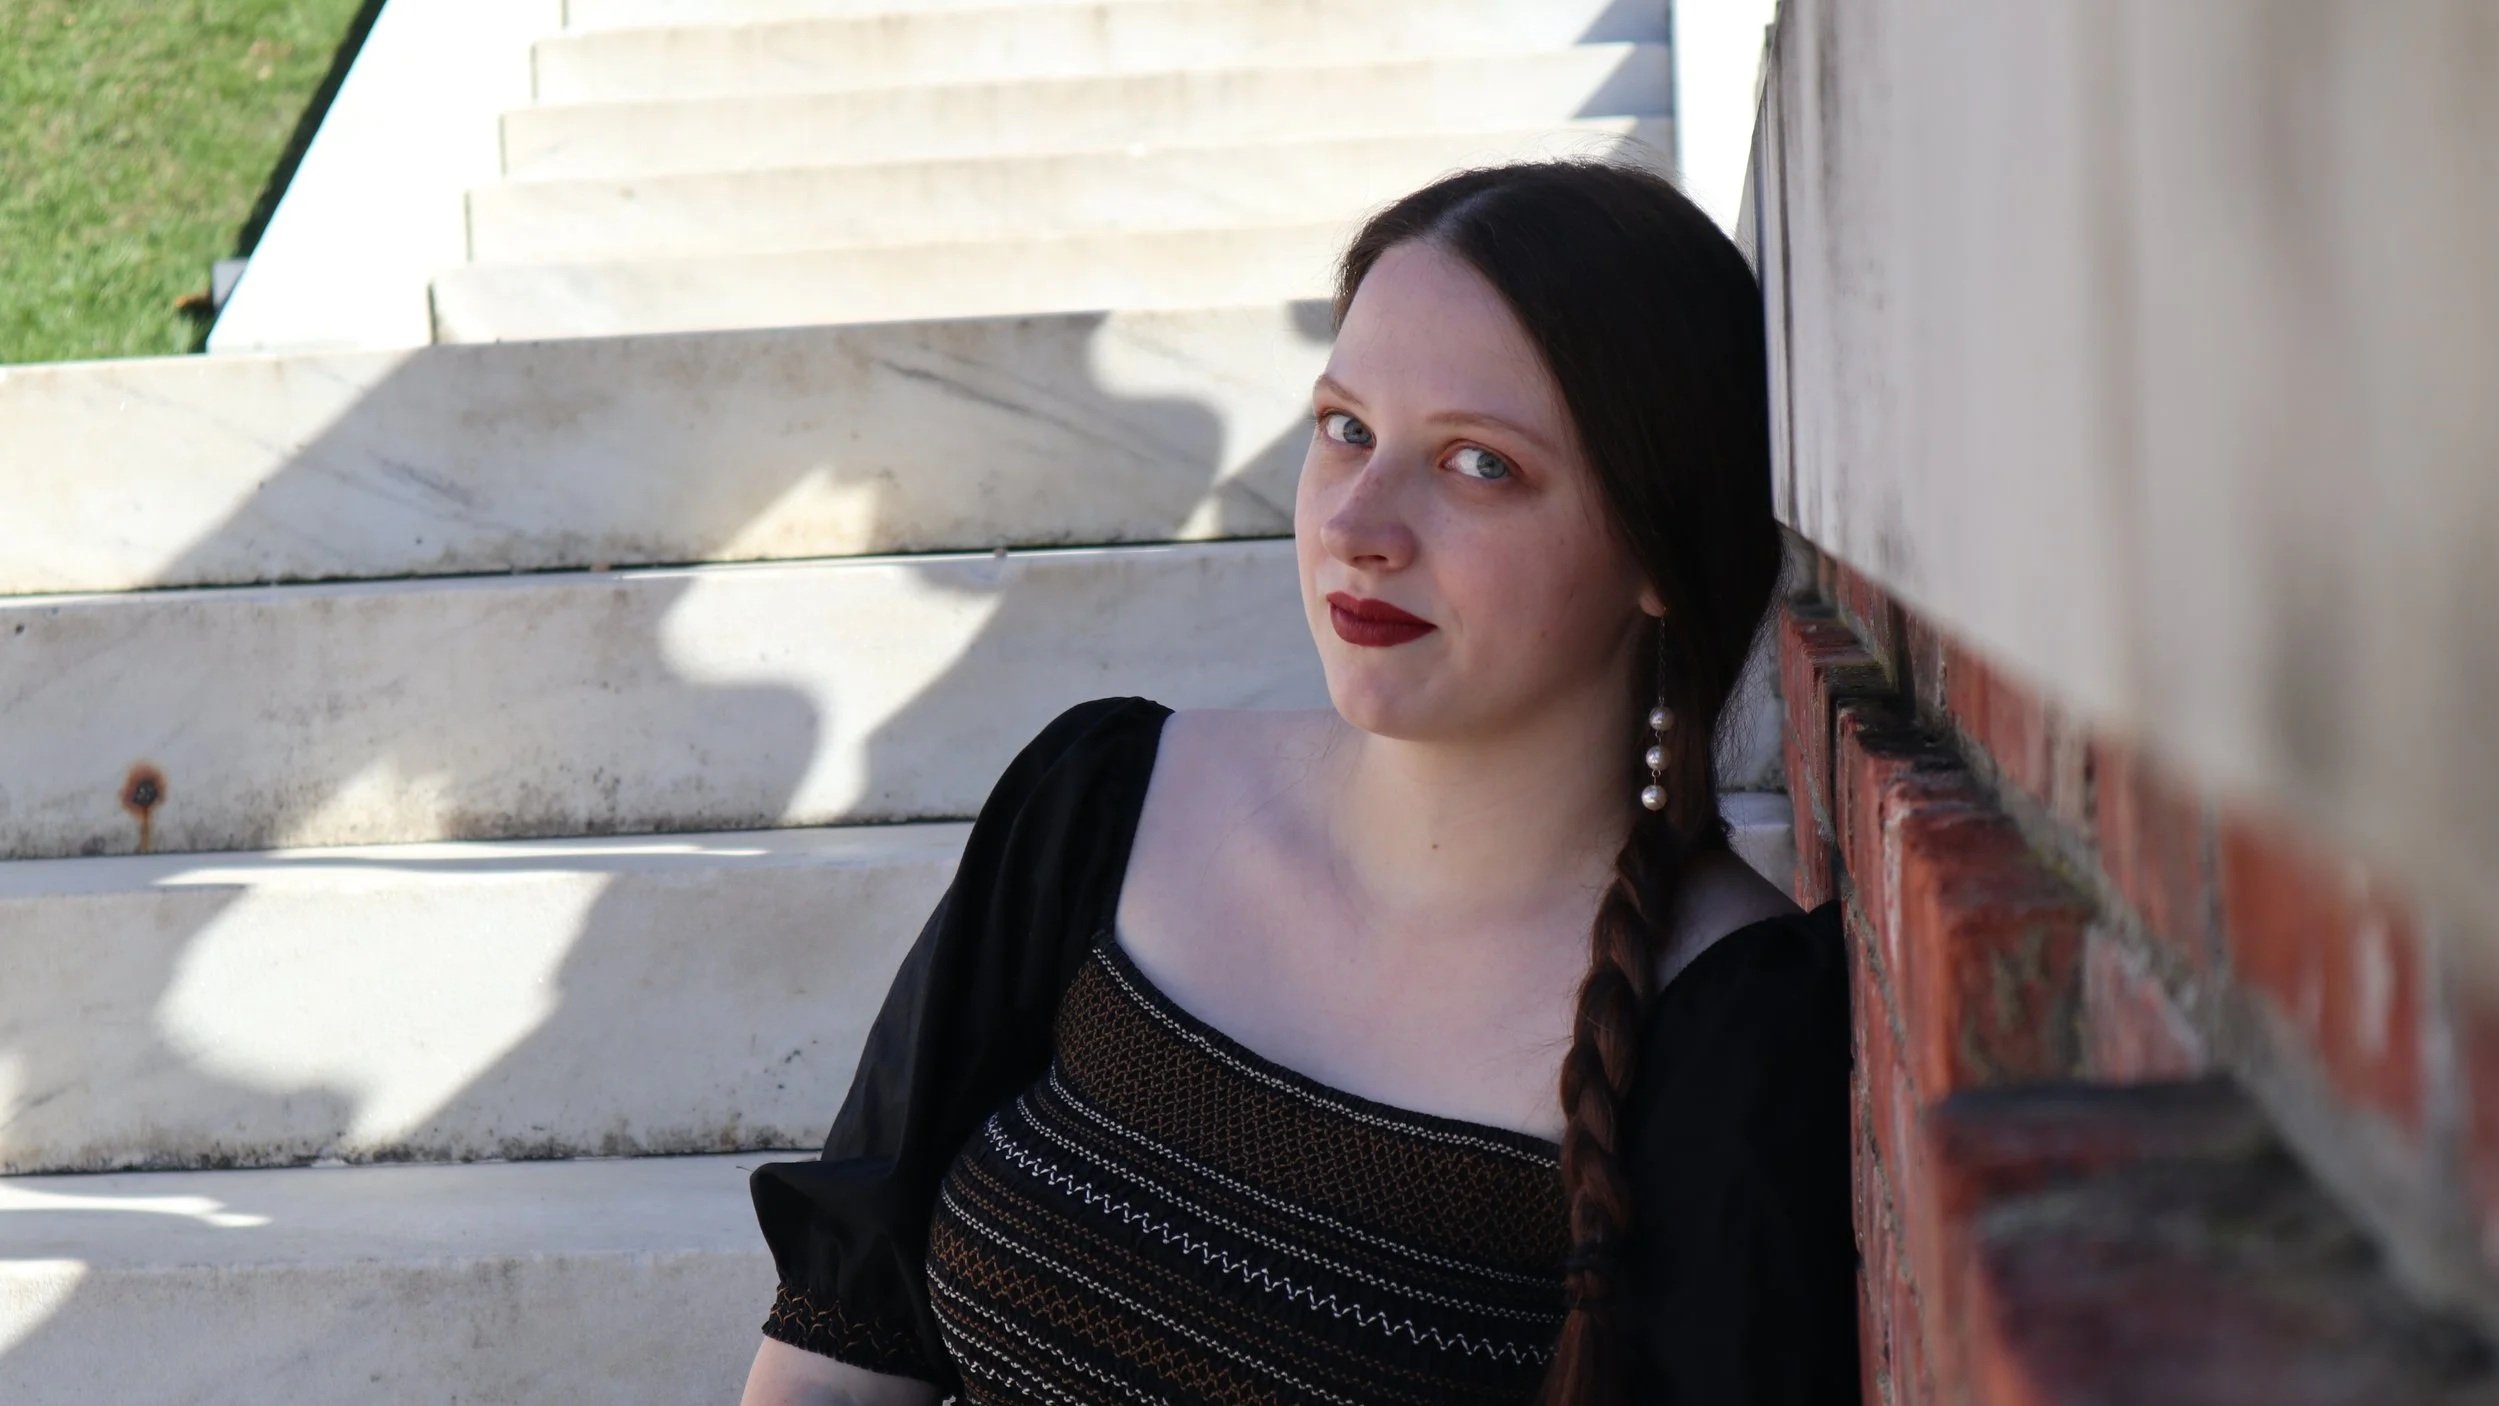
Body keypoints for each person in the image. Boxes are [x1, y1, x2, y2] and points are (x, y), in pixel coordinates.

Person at [739, 157, 1858, 1406]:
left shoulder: (1731, 1029)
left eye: (1480, 463)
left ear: (1662, 545)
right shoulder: (1103, 806)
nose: (1359, 522)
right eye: (1346, 430)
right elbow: (837, 1353)